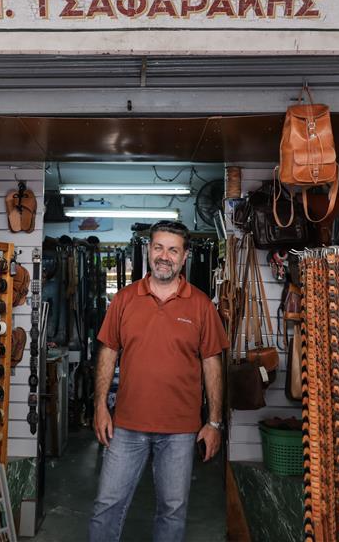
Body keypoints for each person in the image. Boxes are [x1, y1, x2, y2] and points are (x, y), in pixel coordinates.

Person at [88, 220, 228, 542]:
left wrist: (215, 422)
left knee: (172, 511)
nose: (164, 256)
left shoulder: (202, 306)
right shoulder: (124, 300)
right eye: (159, 247)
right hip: (126, 426)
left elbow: (212, 364)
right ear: (149, 250)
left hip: (179, 431)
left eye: (173, 250)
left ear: (185, 256)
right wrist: (100, 407)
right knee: (106, 506)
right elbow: (108, 353)